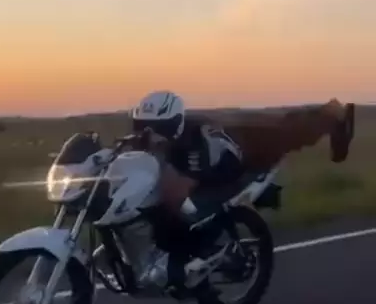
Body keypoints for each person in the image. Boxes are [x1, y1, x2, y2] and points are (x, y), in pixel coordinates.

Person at [129, 90, 355, 290]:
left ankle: (335, 117)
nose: (150, 135)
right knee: (281, 123)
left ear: (174, 124)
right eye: (142, 127)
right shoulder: (163, 139)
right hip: (226, 143)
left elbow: (177, 192)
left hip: (246, 156)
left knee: (289, 132)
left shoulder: (194, 143)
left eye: (157, 129)